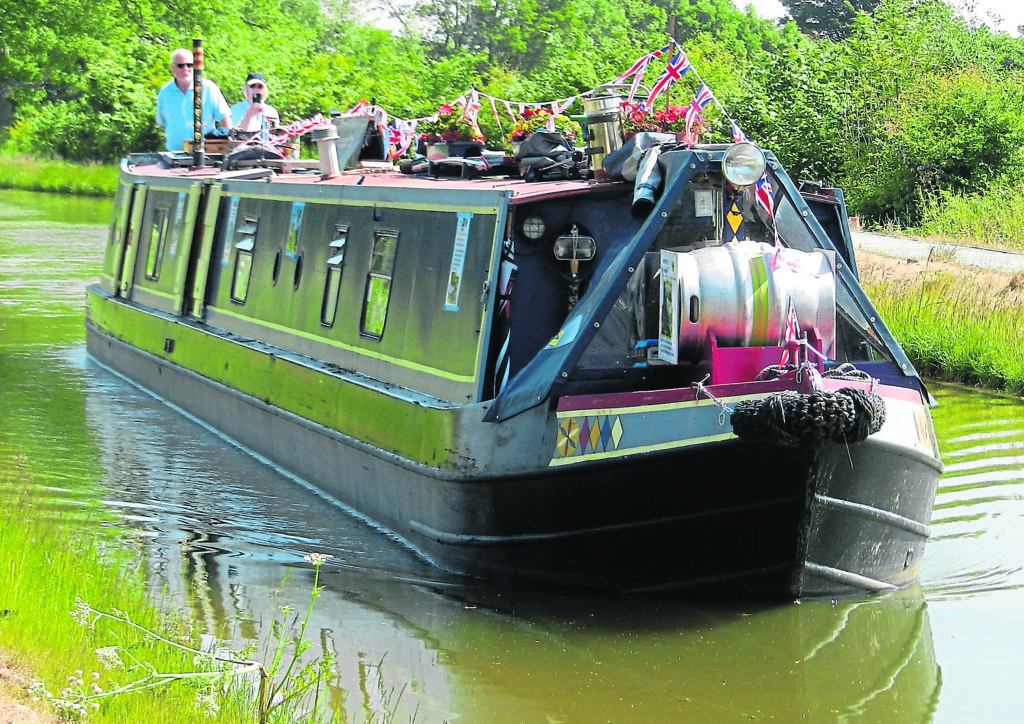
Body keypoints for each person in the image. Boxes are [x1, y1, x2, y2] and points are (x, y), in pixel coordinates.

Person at [155, 48, 232, 152]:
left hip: (206, 154)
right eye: (180, 65)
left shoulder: (209, 88)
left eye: (189, 65)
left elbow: (225, 119)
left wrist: (228, 148)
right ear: (173, 68)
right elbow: (162, 123)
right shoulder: (165, 92)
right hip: (175, 154)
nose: (185, 68)